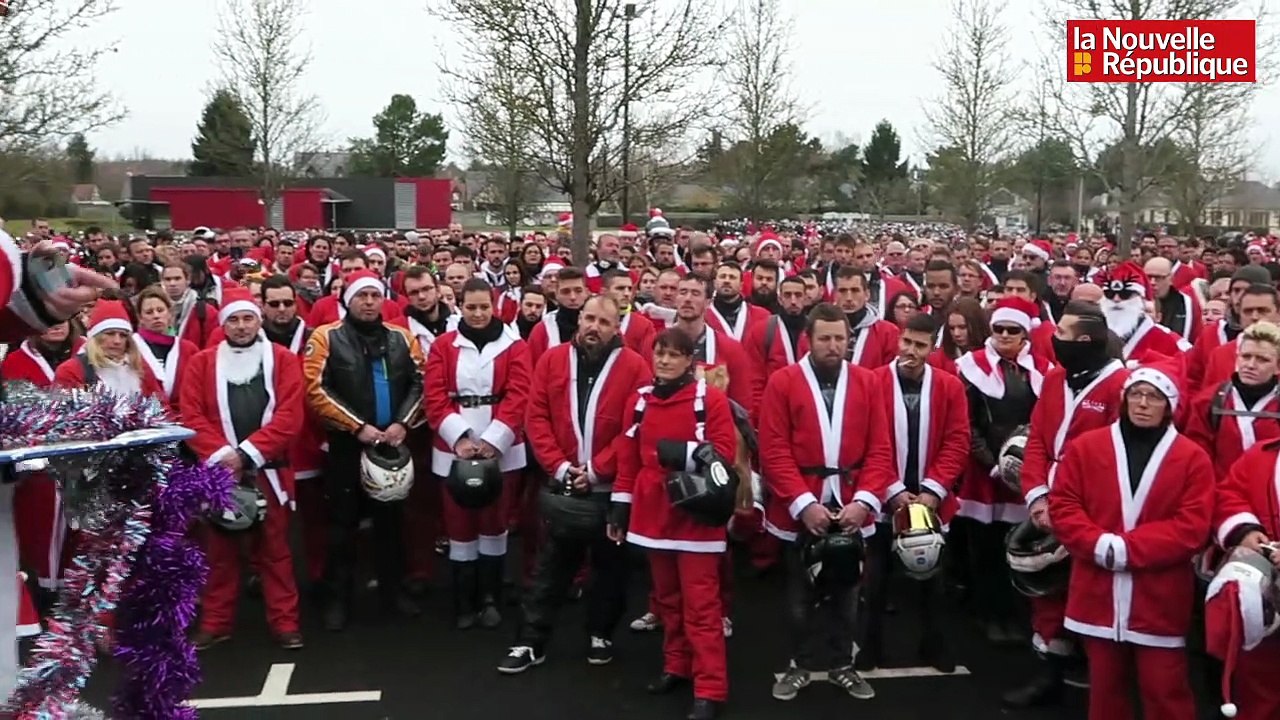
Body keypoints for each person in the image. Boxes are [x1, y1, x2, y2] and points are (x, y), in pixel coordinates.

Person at [1050, 361, 1213, 720]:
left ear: (1170, 405)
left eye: (1153, 397)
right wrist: (1097, 544)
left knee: (1165, 692)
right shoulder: (1087, 447)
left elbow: (1192, 527)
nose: (1142, 403)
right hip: (1096, 591)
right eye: (1135, 394)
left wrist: (1126, 549)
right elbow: (1064, 504)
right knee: (1106, 693)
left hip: (1159, 599)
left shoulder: (1192, 459)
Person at [498, 295, 649, 673]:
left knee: (610, 569)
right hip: (562, 485)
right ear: (579, 319)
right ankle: (531, 641)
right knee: (550, 569)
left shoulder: (635, 367)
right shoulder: (551, 359)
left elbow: (635, 427)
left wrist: (596, 469)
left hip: (609, 488)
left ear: (618, 328)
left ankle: (601, 633)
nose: (594, 327)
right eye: (589, 318)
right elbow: (537, 418)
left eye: (604, 322)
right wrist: (562, 467)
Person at [758, 303, 895, 702]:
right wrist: (804, 504)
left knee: (849, 594)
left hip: (851, 502)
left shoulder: (867, 382)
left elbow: (881, 449)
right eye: (825, 338)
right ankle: (799, 663)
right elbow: (774, 449)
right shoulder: (783, 382)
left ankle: (841, 665)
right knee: (800, 597)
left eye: (840, 338)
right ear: (809, 339)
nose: (833, 346)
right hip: (801, 503)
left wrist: (865, 502)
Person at [609, 328, 739, 720]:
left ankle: (710, 688)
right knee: (667, 599)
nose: (664, 361)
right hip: (652, 514)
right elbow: (628, 457)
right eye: (659, 353)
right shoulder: (640, 401)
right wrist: (620, 504)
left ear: (690, 359)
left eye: (673, 355)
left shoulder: (710, 399)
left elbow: (723, 455)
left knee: (701, 605)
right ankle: (676, 666)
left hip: (695, 514)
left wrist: (676, 452)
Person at [1007, 300, 1127, 707]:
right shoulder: (1057, 380)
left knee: (1091, 596)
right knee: (1046, 594)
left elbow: (1118, 460)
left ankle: (1100, 681)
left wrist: (1070, 510)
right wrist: (1038, 496)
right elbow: (1038, 440)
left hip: (1094, 514)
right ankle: (1050, 674)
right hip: (1049, 505)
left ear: (1088, 340)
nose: (1055, 340)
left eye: (1064, 334)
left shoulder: (1120, 386)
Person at [180, 287, 305, 650]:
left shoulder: (282, 359)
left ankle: (285, 622)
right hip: (222, 473)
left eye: (247, 318)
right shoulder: (202, 363)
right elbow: (191, 416)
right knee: (221, 552)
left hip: (269, 471)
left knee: (276, 552)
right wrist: (224, 456)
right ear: (223, 324)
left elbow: (289, 416)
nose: (241, 326)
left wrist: (249, 453)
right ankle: (216, 621)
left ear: (258, 319)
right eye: (233, 319)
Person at [303, 270, 425, 631]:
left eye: (375, 295)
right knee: (342, 525)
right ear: (348, 299)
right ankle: (337, 598)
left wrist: (402, 423)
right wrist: (358, 427)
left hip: (393, 444)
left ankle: (393, 591)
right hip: (347, 445)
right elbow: (315, 390)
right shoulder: (326, 337)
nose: (369, 302)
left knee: (392, 523)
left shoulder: (403, 338)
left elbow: (421, 383)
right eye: (362, 296)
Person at [425, 277, 532, 630]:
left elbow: (520, 395)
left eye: (484, 306)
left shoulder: (515, 346)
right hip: (454, 446)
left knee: (495, 522)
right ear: (459, 305)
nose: (477, 313)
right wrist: (459, 438)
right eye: (470, 307)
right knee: (459, 525)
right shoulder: (443, 346)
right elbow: (435, 396)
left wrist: (493, 440)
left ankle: (490, 597)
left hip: (501, 447)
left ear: (495, 305)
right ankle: (462, 599)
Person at [865, 312, 969, 673]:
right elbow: (865, 441)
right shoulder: (873, 381)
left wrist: (933, 490)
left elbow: (958, 440)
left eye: (920, 345)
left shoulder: (949, 385)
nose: (911, 350)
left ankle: (933, 646)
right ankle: (869, 646)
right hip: (882, 497)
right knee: (875, 579)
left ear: (932, 348)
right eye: (907, 342)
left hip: (930, 499)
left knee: (933, 581)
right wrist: (891, 489)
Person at [954, 296, 1049, 642]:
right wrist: (995, 465)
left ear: (1025, 334)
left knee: (1020, 547)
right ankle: (987, 614)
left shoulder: (1042, 370)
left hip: (1027, 475)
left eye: (1013, 330)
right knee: (985, 548)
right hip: (985, 474)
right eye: (999, 329)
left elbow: (1046, 421)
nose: (1005, 335)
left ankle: (1016, 614)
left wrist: (1027, 467)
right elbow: (966, 424)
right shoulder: (970, 366)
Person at [1210, 436, 1280, 720]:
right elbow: (1228, 495)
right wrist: (1245, 530)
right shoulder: (1261, 455)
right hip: (1266, 596)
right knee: (1258, 682)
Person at [1184, 320, 1280, 479]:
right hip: (1221, 497)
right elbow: (1198, 464)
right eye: (1246, 356)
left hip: (1271, 499)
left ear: (1278, 367)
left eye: (1262, 359)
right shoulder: (1209, 402)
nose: (1250, 365)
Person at [54, 299, 165, 402]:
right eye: (110, 334)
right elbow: (61, 414)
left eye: (123, 335)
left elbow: (162, 408)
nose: (117, 341)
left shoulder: (139, 367)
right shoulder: (70, 370)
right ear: (95, 337)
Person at [132, 286, 199, 409]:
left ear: (170, 313)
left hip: (182, 418)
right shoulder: (131, 346)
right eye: (149, 312)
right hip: (142, 418)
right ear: (140, 318)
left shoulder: (188, 349)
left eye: (160, 310)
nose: (156, 316)